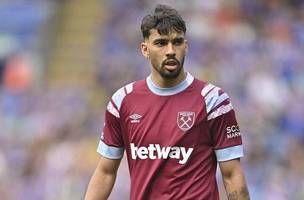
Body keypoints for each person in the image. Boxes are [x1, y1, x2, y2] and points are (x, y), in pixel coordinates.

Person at [85, 4, 250, 200]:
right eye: (161, 43)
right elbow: (105, 172)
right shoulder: (122, 101)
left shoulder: (213, 100)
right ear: (145, 49)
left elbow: (231, 174)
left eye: (177, 42)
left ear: (186, 46)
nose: (171, 50)